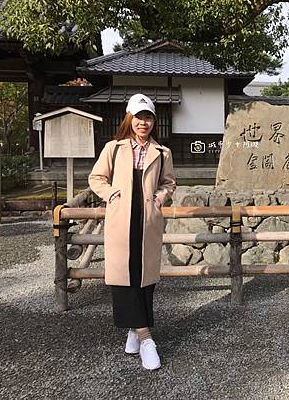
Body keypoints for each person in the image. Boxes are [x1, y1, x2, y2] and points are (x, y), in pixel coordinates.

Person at [89, 93, 176, 370]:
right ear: (130, 118)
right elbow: (96, 177)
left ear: (154, 121)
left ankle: (133, 330)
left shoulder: (162, 153)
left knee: (144, 280)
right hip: (121, 221)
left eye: (148, 117)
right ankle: (146, 338)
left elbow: (169, 183)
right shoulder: (113, 148)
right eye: (139, 117)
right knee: (123, 279)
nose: (144, 122)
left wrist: (160, 198)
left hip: (147, 221)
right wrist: (111, 194)